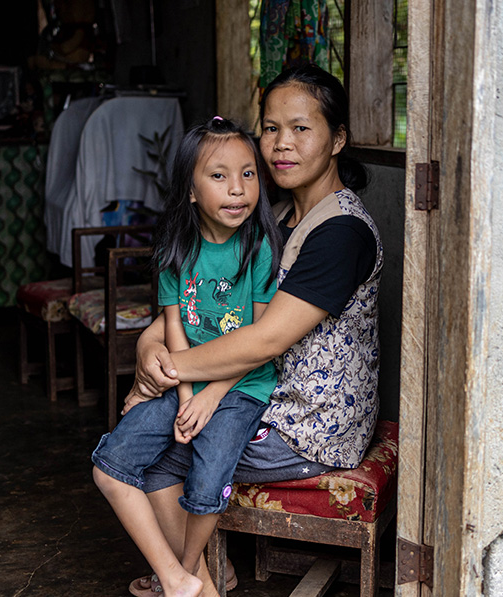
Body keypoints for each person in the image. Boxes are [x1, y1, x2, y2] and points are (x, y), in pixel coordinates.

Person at [123, 63, 385, 597]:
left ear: (337, 140)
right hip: (262, 394)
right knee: (153, 423)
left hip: (310, 424)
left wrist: (167, 376)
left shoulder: (341, 232)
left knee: (145, 452)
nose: (281, 145)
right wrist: (149, 345)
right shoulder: (278, 216)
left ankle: (196, 580)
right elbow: (206, 299)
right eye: (270, 128)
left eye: (301, 128)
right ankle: (203, 575)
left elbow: (265, 339)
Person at [91, 116, 283, 597]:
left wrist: (211, 395)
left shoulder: (257, 248)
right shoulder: (175, 249)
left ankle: (190, 568)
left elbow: (258, 338)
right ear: (191, 191)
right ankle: (178, 580)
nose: (237, 189)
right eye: (219, 176)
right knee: (108, 465)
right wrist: (184, 394)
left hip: (241, 385)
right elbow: (174, 326)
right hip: (190, 378)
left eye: (248, 173)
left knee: (207, 478)